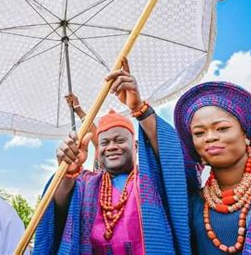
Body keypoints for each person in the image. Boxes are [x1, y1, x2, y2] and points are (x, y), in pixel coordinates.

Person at [34, 58, 194, 254]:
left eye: (119, 140)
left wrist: (139, 109)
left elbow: (173, 160)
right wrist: (67, 172)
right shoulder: (87, 182)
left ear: (135, 146)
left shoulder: (149, 180)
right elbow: (59, 208)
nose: (111, 147)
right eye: (104, 143)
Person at [173, 81, 251, 254]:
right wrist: (142, 112)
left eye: (222, 128)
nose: (210, 137)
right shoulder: (193, 203)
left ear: (245, 134)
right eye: (199, 133)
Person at [64, 93, 99, 171]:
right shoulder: (101, 147)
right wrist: (77, 109)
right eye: (106, 141)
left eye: (120, 140)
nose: (112, 146)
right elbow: (90, 126)